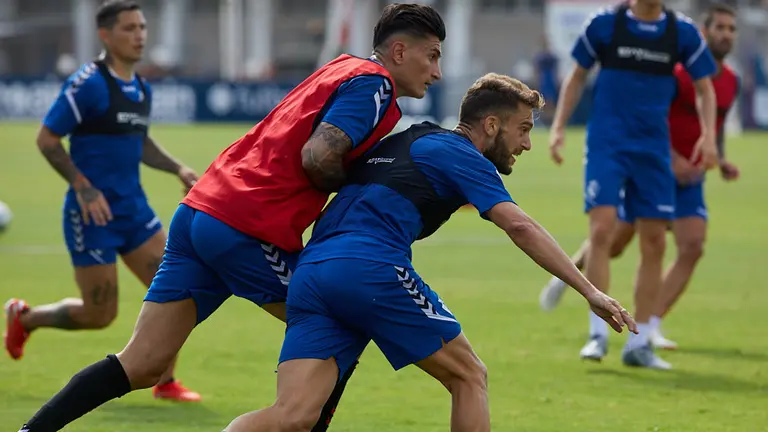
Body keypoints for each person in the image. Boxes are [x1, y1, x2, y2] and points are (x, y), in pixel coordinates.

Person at [17, 3, 445, 432]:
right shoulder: (376, 87)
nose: (437, 72)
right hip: (244, 227)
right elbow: (318, 156)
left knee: (142, 364)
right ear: (400, 51)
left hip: (202, 211)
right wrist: (364, 183)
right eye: (432, 56)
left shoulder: (343, 67)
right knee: (341, 321)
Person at [221, 74, 637, 432]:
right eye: (523, 129)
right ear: (491, 125)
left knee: (291, 416)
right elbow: (520, 226)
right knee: (469, 375)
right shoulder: (461, 154)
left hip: (311, 274)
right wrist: (589, 291)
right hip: (370, 268)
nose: (527, 143)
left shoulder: (410, 139)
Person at [4, 0, 201, 402]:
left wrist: (178, 169)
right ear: (106, 35)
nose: (139, 35)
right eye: (129, 28)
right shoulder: (88, 84)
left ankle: (164, 381)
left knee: (179, 291)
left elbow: (140, 142)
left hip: (134, 211)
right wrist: (82, 185)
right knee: (99, 315)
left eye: (142, 27)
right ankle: (24, 317)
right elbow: (47, 140)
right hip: (92, 215)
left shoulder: (140, 88)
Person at [540, 3, 741, 351]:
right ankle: (597, 331)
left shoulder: (691, 43)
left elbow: (708, 101)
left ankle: (644, 337)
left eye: (731, 28)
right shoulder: (606, 26)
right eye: (720, 28)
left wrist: (712, 145)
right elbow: (577, 76)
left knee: (669, 243)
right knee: (605, 234)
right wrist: (558, 127)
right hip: (616, 146)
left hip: (659, 155)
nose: (726, 34)